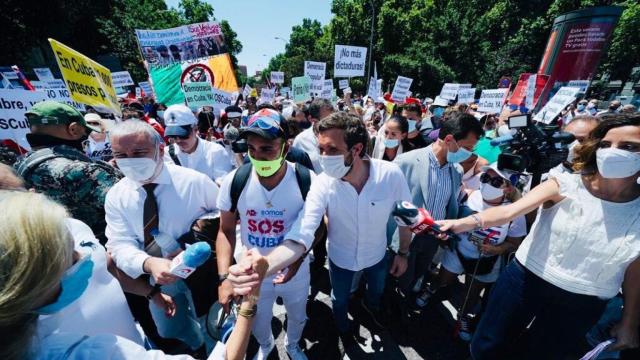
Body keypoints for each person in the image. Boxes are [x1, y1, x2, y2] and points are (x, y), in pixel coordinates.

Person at [437, 114, 640, 359]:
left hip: (583, 304)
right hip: (525, 281)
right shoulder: (564, 183)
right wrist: (461, 223)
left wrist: (629, 322)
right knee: (488, 348)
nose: (613, 152)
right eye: (606, 144)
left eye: (629, 147)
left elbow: (634, 269)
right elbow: (510, 211)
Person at [0, 190, 265, 360]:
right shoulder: (86, 353)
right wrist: (249, 301)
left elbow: (110, 264)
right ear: (30, 281)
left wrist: (149, 292)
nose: (84, 258)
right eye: (70, 255)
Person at [228, 112, 413, 355]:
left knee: (375, 293)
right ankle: (343, 330)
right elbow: (303, 232)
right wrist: (267, 264)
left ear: (356, 149)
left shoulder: (391, 175)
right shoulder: (322, 183)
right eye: (320, 149)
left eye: (331, 150)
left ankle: (373, 312)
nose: (323, 157)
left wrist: (403, 252)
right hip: (341, 259)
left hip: (377, 257)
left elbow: (406, 218)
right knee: (339, 300)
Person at [105, 120, 220, 354]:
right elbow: (118, 243)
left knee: (213, 324)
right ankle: (196, 346)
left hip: (202, 272)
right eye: (121, 154)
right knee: (170, 328)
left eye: (138, 152)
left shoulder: (194, 182)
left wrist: (197, 237)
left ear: (159, 149)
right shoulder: (116, 196)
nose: (130, 160)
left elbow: (223, 218)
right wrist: (148, 263)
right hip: (157, 278)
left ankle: (213, 349)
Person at [216, 108, 314, 360]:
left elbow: (318, 226)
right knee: (257, 320)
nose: (258, 156)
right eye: (251, 148)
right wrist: (224, 277)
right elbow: (225, 230)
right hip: (251, 274)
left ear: (286, 147)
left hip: (294, 271)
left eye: (267, 148)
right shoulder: (235, 180)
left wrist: (299, 260)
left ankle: (293, 345)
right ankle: (267, 346)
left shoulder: (306, 180)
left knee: (297, 314)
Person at [416, 163, 526, 341]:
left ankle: (463, 316)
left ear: (508, 188)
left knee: (472, 293)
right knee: (444, 278)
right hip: (459, 250)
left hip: (486, 260)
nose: (488, 183)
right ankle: (431, 289)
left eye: (496, 181)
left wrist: (497, 249)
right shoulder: (471, 196)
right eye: (485, 178)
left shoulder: (514, 212)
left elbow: (514, 242)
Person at [388, 112, 484, 294]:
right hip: (405, 239)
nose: (470, 154)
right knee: (396, 281)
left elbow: (451, 204)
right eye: (467, 148)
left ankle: (406, 300)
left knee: (416, 278)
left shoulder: (456, 170)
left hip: (433, 238)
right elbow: (388, 207)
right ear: (449, 139)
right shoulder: (405, 162)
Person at [14, 101, 121, 243]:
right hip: (103, 253)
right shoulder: (80, 171)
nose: (86, 136)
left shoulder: (17, 167)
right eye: (86, 131)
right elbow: (132, 206)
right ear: (74, 130)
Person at [162, 104, 232, 184]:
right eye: (173, 136)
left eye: (183, 135)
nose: (178, 140)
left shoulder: (215, 152)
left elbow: (223, 186)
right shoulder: (165, 155)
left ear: (195, 129)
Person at [292, 98, 334, 171]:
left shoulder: (341, 136)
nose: (332, 124)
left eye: (333, 119)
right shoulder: (300, 141)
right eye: (326, 120)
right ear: (311, 119)